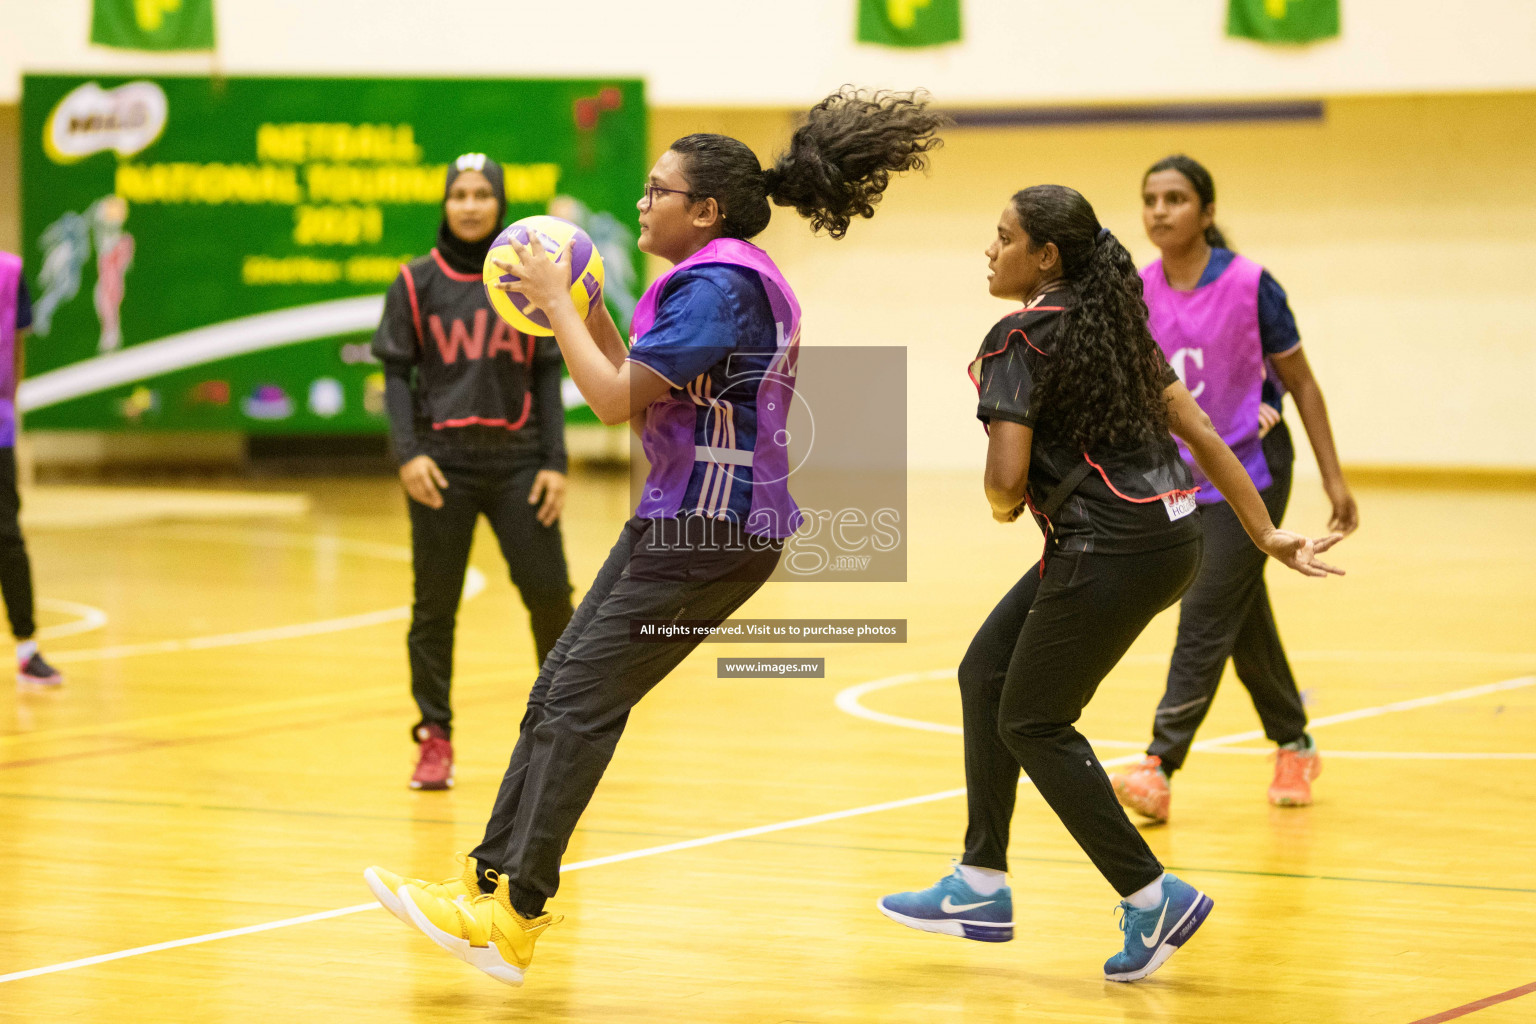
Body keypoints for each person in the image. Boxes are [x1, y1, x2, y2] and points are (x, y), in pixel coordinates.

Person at [365, 88, 946, 987]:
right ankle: (484, 884)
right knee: (559, 681)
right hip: (684, 512)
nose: (642, 203)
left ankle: (516, 914)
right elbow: (636, 380)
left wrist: (557, 302)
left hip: (713, 525)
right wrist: (581, 303)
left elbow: (605, 402)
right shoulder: (718, 278)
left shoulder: (721, 287)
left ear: (703, 208)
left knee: (581, 700)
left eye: (656, 190)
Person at [876, 185, 1343, 982]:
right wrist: (1264, 530)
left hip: (1107, 547)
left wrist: (999, 505)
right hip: (1170, 536)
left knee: (1034, 720)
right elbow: (1196, 429)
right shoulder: (1119, 330)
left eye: (1003, 236)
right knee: (985, 672)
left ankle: (1150, 893)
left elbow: (1004, 479)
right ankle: (980, 882)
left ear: (1046, 256)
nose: (990, 250)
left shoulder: (1018, 339)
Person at [1110, 155, 1359, 822]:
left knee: (1206, 604)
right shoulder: (1139, 289)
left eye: (1177, 198)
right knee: (1236, 605)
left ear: (1208, 213)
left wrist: (1334, 477)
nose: (1160, 210)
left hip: (1253, 466)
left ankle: (1159, 764)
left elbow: (1300, 382)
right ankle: (1295, 741)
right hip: (1184, 470)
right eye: (1150, 199)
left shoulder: (1252, 285)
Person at [371, 153, 576, 791]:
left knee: (551, 598)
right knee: (434, 609)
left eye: (481, 194)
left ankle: (562, 734)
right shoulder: (414, 282)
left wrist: (556, 462)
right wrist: (408, 454)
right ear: (445, 203)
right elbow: (396, 378)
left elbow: (548, 375)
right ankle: (435, 738)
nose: (468, 204)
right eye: (458, 193)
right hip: (442, 468)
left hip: (518, 464)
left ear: (500, 204)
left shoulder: (526, 281)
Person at [0, 251, 64, 686]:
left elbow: (17, 347)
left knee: (7, 535)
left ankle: (27, 650)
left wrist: (11, 408)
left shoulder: (9, 272)